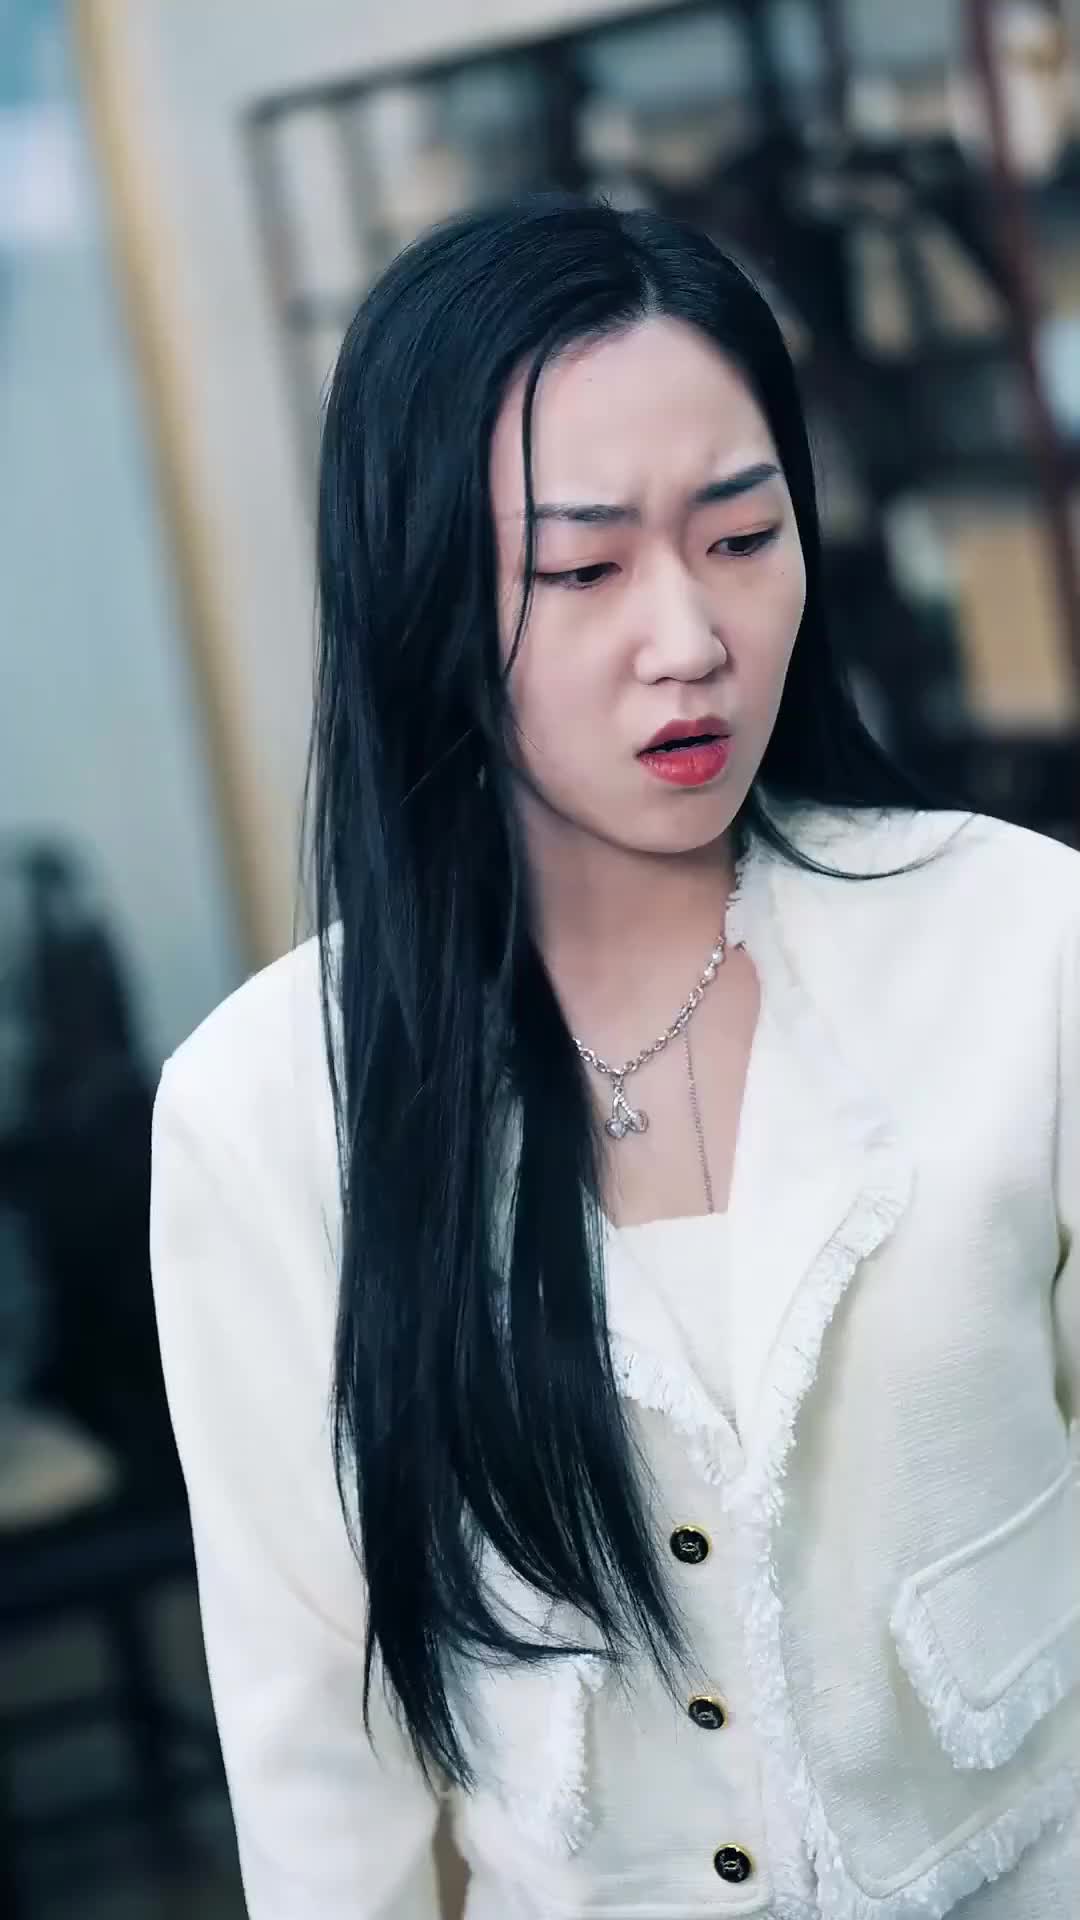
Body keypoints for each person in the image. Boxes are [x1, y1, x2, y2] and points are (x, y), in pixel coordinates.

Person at [149, 195, 1080, 1920]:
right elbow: (318, 1766)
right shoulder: (267, 1114)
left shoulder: (1026, 950)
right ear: (422, 594)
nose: (692, 637)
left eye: (743, 535)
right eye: (582, 571)